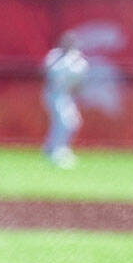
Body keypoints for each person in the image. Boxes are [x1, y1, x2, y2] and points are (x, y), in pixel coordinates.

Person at [41, 32, 90, 168]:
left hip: (67, 95)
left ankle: (54, 148)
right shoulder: (54, 56)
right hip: (54, 93)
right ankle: (56, 151)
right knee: (63, 122)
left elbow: (79, 82)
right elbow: (47, 73)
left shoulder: (77, 59)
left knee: (73, 122)